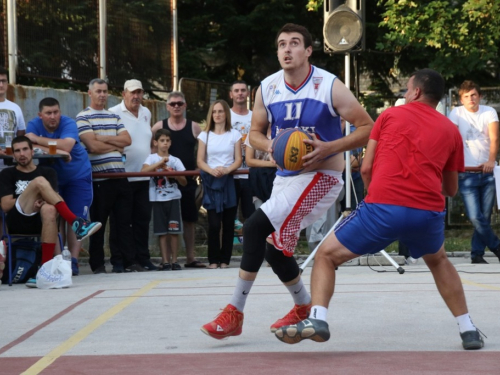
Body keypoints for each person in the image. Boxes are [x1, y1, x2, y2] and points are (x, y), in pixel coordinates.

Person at [274, 69, 485, 351]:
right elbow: (451, 190)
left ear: (417, 92)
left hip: (383, 207)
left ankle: (318, 319)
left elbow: (366, 167)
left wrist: (375, 196)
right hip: (427, 212)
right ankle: (468, 328)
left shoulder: (388, 116)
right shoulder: (451, 131)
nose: (405, 94)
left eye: (407, 90)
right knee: (439, 261)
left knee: (325, 256)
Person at [201, 23, 373, 340]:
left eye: (295, 43)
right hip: (286, 177)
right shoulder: (267, 87)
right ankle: (304, 307)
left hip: (323, 176)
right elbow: (254, 133)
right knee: (274, 249)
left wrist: (330, 147)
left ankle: (234, 312)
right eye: (281, 44)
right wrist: (273, 146)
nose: (287, 49)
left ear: (308, 51)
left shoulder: (329, 85)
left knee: (254, 227)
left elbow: (367, 127)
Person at [0, 136, 101, 286]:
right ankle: (76, 222)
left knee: (49, 208)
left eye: (25, 149)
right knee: (39, 182)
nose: (22, 154)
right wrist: (32, 194)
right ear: (13, 155)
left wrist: (41, 202)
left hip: (41, 219)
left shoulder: (48, 171)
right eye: (17, 151)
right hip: (18, 219)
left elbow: (54, 199)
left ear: (32, 151)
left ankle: (44, 271)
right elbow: (6, 205)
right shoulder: (8, 173)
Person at [77, 78, 142, 274]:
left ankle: (125, 263)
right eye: (98, 91)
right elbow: (92, 146)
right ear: (90, 93)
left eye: (105, 91)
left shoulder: (113, 116)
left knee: (123, 223)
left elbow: (127, 140)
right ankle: (97, 264)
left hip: (120, 178)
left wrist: (102, 138)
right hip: (99, 180)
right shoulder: (83, 117)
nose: (102, 95)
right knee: (98, 223)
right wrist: (115, 143)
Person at [25, 97, 93, 276]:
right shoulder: (32, 124)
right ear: (41, 115)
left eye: (56, 112)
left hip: (77, 175)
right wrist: (57, 149)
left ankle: (74, 261)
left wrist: (39, 141)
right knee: (52, 215)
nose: (53, 116)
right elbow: (28, 146)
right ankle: (59, 261)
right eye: (48, 113)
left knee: (76, 217)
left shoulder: (69, 123)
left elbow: (67, 145)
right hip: (51, 178)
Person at [151, 92, 206, 268]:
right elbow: (151, 149)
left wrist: (201, 166)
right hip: (164, 183)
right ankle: (166, 260)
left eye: (179, 103)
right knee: (165, 222)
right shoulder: (159, 126)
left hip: (187, 180)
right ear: (167, 106)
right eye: (173, 103)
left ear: (185, 105)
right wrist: (157, 166)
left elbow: (205, 147)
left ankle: (190, 257)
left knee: (189, 220)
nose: (176, 106)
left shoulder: (194, 127)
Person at [448, 80, 500, 264]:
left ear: (480, 96)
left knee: (484, 217)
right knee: (475, 216)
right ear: (461, 99)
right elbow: (453, 140)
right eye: (467, 96)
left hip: (487, 172)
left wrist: (491, 160)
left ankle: (477, 254)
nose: (471, 99)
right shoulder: (456, 113)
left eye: (474, 95)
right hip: (466, 173)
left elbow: (494, 138)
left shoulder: (489, 112)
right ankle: (497, 246)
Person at [108, 79, 157, 271]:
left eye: (139, 92)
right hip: (122, 176)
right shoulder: (113, 113)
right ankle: (121, 261)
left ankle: (142, 258)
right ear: (124, 94)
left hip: (143, 176)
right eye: (132, 92)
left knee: (142, 219)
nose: (136, 96)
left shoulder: (146, 112)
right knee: (121, 220)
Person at [197, 100, 242, 269]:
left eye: (221, 111)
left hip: (229, 181)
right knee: (214, 223)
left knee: (229, 223)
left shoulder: (234, 134)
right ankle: (213, 260)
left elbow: (238, 159)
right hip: (211, 182)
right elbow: (200, 161)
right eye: (214, 111)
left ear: (226, 114)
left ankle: (225, 260)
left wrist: (227, 169)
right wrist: (211, 170)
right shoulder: (204, 135)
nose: (217, 114)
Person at [142, 129, 187, 270]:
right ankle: (165, 261)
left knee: (174, 230)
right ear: (155, 142)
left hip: (173, 198)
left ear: (170, 143)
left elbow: (184, 181)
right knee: (161, 231)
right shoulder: (151, 158)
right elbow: (143, 171)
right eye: (162, 140)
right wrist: (160, 164)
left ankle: (175, 260)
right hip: (156, 199)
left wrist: (172, 173)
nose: (165, 143)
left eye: (167, 140)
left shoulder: (175, 160)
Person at [0, 67, 26, 239]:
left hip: (10, 169)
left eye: (3, 81)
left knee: (8, 211)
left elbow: (21, 136)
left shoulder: (15, 107)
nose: (0, 84)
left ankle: (6, 255)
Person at [230, 81, 255, 225]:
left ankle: (251, 246)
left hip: (250, 172)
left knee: (251, 215)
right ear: (231, 94)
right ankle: (226, 246)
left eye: (243, 90)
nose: (240, 93)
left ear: (247, 94)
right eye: (236, 90)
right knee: (228, 216)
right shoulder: (226, 115)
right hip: (231, 172)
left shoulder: (255, 116)